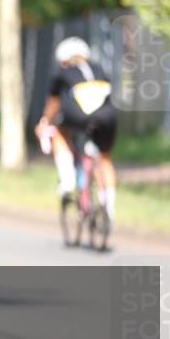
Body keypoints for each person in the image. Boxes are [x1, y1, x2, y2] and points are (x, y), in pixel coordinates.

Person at [35, 36, 118, 226]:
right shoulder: (99, 69)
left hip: (79, 116)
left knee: (59, 133)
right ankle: (109, 208)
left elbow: (54, 103)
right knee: (105, 158)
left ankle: (68, 181)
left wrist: (44, 122)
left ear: (64, 60)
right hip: (107, 117)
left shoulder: (62, 72)